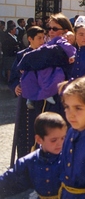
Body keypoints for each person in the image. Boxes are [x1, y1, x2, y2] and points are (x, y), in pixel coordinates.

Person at [0, 112, 67, 198]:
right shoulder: (29, 161)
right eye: (53, 140)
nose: (60, 143)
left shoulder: (69, 158)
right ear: (39, 139)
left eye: (63, 138)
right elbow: (8, 181)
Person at [8, 26, 46, 160]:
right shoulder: (21, 55)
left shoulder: (47, 54)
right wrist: (15, 87)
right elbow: (13, 77)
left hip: (42, 98)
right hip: (25, 100)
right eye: (39, 38)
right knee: (24, 131)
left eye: (43, 38)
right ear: (30, 39)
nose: (42, 41)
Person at [19, 32, 76, 109]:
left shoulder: (59, 47)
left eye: (71, 39)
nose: (68, 39)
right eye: (67, 37)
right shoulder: (57, 43)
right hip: (32, 87)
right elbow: (16, 74)